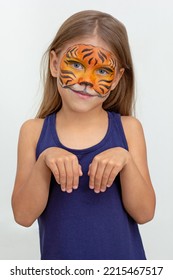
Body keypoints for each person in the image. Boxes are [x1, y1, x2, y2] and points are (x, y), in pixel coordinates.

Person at [11, 10, 156, 260]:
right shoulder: (33, 132)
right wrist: (44, 160)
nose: (87, 81)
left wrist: (126, 160)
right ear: (55, 64)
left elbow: (145, 213)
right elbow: (23, 216)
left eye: (102, 71)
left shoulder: (129, 128)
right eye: (77, 65)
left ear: (116, 79)